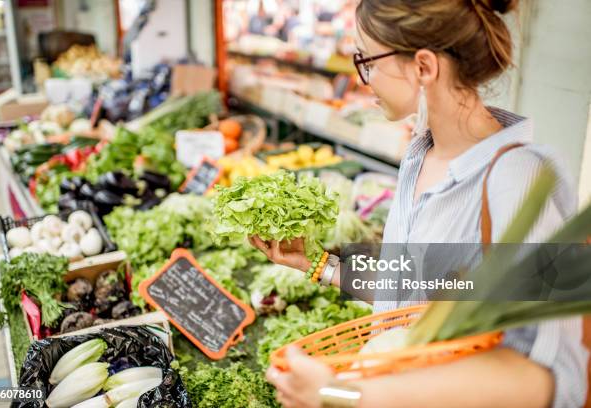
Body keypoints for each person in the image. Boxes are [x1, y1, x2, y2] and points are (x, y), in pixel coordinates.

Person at [249, 0, 588, 407]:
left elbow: (552, 377)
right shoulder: (420, 153)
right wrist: (320, 264)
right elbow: (412, 296)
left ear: (424, 67)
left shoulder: (517, 180)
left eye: (367, 60)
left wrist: (340, 394)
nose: (363, 78)